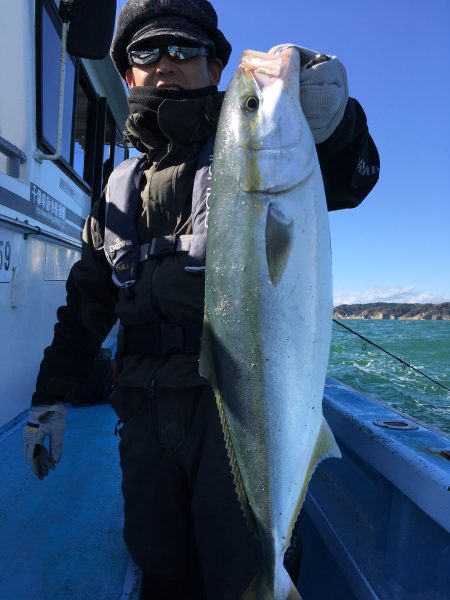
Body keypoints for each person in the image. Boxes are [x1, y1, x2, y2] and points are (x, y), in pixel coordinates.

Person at [23, 1, 380, 598]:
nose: (166, 63)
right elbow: (86, 308)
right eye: (146, 52)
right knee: (158, 564)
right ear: (128, 72)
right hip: (141, 413)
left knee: (240, 567)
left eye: (185, 49)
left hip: (233, 408)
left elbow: (351, 178)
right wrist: (49, 400)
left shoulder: (254, 141)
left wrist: (336, 122)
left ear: (216, 66)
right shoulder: (117, 188)